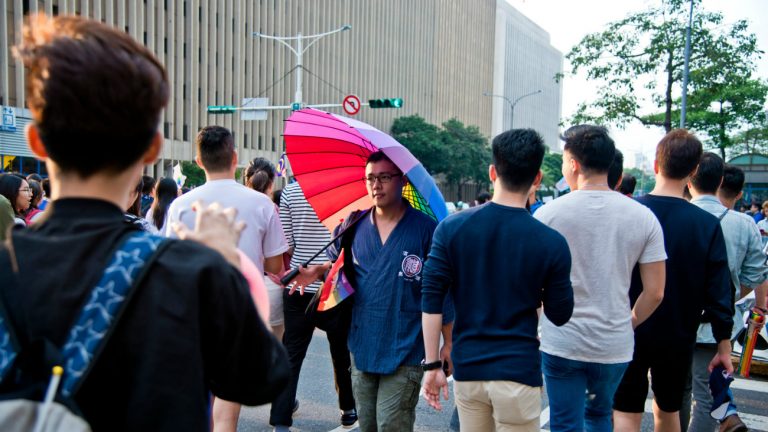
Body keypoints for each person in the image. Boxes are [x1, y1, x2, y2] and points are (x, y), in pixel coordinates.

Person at [0, 14, 288, 431]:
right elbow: (263, 378)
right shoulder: (190, 271)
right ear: (153, 147)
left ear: (36, 140)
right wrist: (225, 262)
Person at [289, 151, 454, 432]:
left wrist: (447, 342)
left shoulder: (427, 230)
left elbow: (441, 291)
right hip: (362, 344)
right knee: (367, 426)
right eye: (370, 178)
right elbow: (338, 265)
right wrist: (315, 271)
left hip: (406, 348)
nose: (376, 185)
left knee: (392, 425)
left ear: (401, 181)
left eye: (384, 177)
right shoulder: (352, 225)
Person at [421, 129, 574, 431]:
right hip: (518, 372)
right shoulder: (551, 242)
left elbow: (431, 298)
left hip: (470, 371)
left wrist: (432, 366)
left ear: (493, 172)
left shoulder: (452, 229)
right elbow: (560, 314)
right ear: (538, 178)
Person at [533, 125, 667, 432]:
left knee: (565, 422)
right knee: (598, 417)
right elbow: (655, 292)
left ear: (574, 164)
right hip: (613, 343)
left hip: (562, 340)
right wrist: (629, 321)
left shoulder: (548, 215)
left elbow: (532, 285)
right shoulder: (643, 217)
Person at [165, 125, 289, 432]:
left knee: (194, 395)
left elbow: (170, 262)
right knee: (226, 406)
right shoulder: (261, 204)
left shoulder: (180, 205)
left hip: (192, 311)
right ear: (234, 157)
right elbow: (275, 264)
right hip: (242, 310)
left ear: (198, 160)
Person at [613, 130, 734, 432]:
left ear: (656, 164)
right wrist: (723, 343)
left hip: (629, 326)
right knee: (668, 411)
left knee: (625, 411)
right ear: (693, 172)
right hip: (679, 333)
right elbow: (720, 292)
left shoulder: (629, 212)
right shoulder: (705, 224)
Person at [268, 179, 358, 432]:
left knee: (292, 353)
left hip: (299, 282)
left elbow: (287, 242)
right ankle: (348, 410)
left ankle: (281, 419)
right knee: (340, 349)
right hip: (335, 287)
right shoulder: (345, 190)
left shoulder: (290, 193)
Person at [685, 157, 768, 431]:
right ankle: (728, 415)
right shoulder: (745, 224)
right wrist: (729, 296)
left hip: (674, 320)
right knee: (707, 397)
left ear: (689, 179)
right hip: (716, 325)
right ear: (720, 181)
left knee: (677, 393)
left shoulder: (676, 214)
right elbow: (756, 273)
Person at [244, 157, 286, 339]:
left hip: (241, 282)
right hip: (271, 284)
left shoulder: (236, 206)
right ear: (271, 183)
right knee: (274, 344)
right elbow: (277, 258)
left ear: (247, 180)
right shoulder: (271, 208)